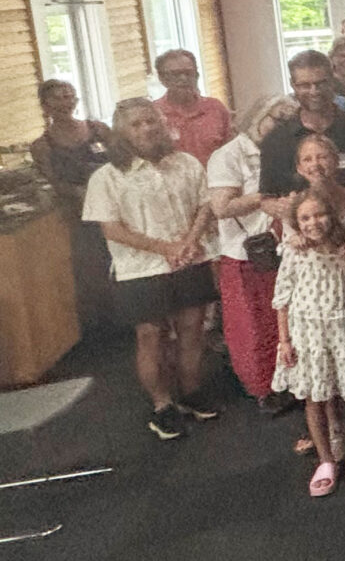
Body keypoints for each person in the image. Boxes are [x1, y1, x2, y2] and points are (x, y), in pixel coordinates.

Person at [82, 97, 218, 440]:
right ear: (120, 132)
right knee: (151, 335)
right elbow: (112, 229)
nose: (146, 129)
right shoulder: (108, 176)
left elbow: (205, 205)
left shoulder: (185, 163)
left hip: (190, 259)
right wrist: (166, 248)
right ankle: (163, 405)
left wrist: (189, 241)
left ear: (162, 124)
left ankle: (191, 392)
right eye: (136, 124)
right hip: (140, 268)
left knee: (192, 328)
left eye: (151, 121)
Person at [274, 187, 345, 496]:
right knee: (314, 398)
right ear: (296, 222)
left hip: (343, 332)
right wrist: (284, 341)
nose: (313, 223)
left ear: (332, 217)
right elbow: (282, 298)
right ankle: (326, 459)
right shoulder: (294, 251)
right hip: (307, 335)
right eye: (305, 218)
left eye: (319, 215)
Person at [208, 95, 297, 412]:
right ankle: (262, 388)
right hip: (247, 253)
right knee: (253, 325)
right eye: (275, 117)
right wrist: (264, 197)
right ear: (259, 115)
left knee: (284, 321)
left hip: (287, 248)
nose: (280, 126)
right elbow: (221, 207)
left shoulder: (288, 150)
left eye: (288, 120)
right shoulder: (229, 155)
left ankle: (290, 382)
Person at [31, 79, 114, 333]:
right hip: (79, 214)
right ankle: (101, 329)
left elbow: (123, 162)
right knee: (91, 270)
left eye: (69, 96)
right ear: (45, 105)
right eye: (57, 98)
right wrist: (79, 192)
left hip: (113, 207)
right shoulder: (42, 145)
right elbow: (53, 182)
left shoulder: (98, 130)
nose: (65, 103)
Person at [260, 50, 345, 198]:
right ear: (293, 85)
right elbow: (267, 197)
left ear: (332, 80)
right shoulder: (276, 140)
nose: (314, 91)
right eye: (305, 85)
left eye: (320, 83)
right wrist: (278, 206)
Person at [153, 48, 233, 166]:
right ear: (162, 79)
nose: (183, 79)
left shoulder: (215, 108)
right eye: (175, 74)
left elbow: (232, 151)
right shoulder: (153, 114)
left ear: (197, 75)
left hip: (215, 181)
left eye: (188, 73)